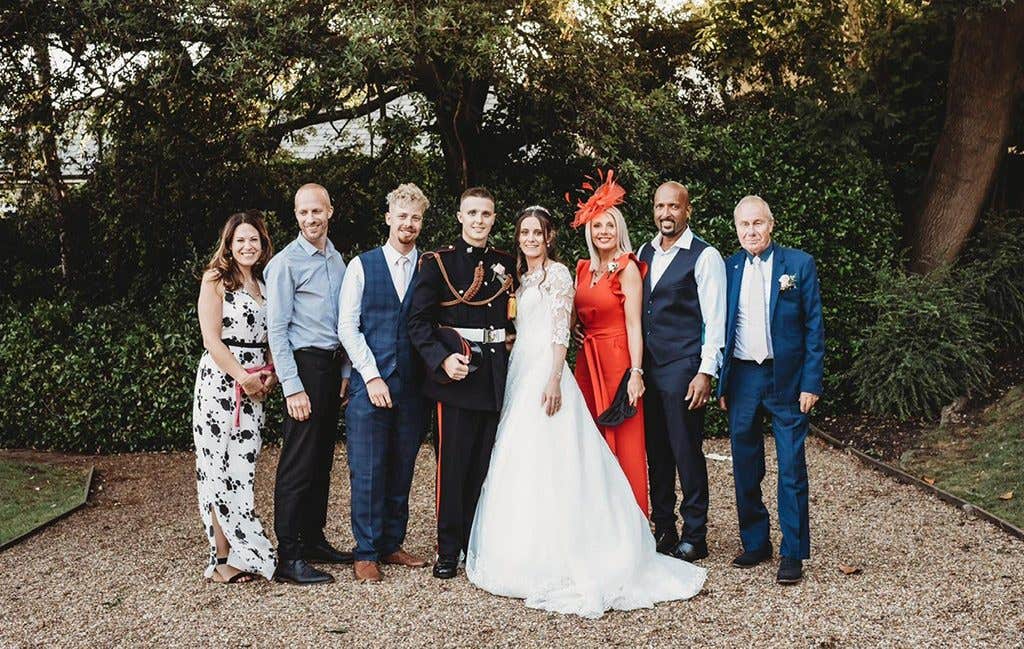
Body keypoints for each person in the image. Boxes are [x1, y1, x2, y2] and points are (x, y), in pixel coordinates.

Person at [466, 205, 706, 619]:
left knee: (566, 452)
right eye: (524, 233)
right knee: (523, 455)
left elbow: (560, 331)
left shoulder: (560, 274)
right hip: (526, 368)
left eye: (537, 232)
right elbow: (560, 321)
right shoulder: (525, 278)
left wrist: (556, 377)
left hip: (549, 371)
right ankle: (523, 543)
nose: (530, 239)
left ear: (549, 237)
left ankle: (612, 536)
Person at [407, 186, 516, 580]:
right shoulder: (438, 263)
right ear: (459, 216)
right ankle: (448, 548)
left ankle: (475, 541)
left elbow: (512, 317)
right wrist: (441, 359)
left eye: (485, 214)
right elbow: (418, 322)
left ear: (494, 218)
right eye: (472, 213)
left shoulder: (506, 262)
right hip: (456, 376)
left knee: (484, 465)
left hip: (493, 377)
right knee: (453, 467)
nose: (478, 220)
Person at [718, 195, 824, 585]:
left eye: (757, 223)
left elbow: (814, 327)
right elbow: (717, 325)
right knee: (745, 464)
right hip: (743, 377)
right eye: (744, 224)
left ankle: (792, 552)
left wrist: (811, 382)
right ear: (736, 228)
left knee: (791, 466)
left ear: (771, 224)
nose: (751, 231)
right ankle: (755, 542)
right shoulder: (727, 268)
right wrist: (722, 380)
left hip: (787, 378)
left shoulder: (798, 264)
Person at [338, 183, 431, 582]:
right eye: (402, 216)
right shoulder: (362, 265)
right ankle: (366, 551)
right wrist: (372, 375)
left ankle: (392, 543)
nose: (408, 223)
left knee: (402, 466)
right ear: (389, 217)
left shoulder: (429, 267)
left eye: (416, 218)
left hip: (413, 386)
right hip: (370, 384)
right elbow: (347, 326)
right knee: (368, 469)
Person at [265, 183, 353, 585]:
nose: (310, 218)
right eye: (303, 212)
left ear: (329, 211)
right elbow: (277, 330)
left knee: (320, 461)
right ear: (296, 216)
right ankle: (289, 555)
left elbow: (343, 322)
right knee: (298, 463)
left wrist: (345, 373)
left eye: (316, 211)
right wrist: (292, 386)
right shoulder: (285, 263)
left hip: (331, 369)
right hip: (304, 368)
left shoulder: (336, 258)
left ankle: (313, 539)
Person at [637, 182, 727, 562]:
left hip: (683, 368)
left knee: (686, 451)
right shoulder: (643, 252)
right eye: (660, 206)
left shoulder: (705, 256)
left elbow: (715, 320)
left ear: (687, 210)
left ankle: (695, 534)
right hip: (649, 369)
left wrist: (706, 372)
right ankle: (664, 528)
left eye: (673, 206)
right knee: (656, 453)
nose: (666, 214)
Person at [192, 209, 278, 583]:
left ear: (262, 244)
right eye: (240, 239)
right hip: (220, 382)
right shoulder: (216, 279)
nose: (247, 246)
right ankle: (222, 557)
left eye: (253, 239)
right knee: (216, 466)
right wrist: (242, 376)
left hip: (256, 385)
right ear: (229, 244)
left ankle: (244, 551)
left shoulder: (265, 282)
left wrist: (271, 372)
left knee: (242, 469)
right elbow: (211, 339)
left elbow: (273, 334)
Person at [572, 171, 649, 514]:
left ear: (620, 230)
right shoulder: (583, 269)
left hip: (618, 361)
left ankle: (630, 519)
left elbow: (634, 324)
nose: (603, 231)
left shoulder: (627, 267)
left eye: (610, 225)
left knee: (624, 439)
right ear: (589, 230)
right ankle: (596, 516)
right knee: (589, 439)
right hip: (587, 362)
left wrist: (636, 372)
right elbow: (575, 313)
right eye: (597, 225)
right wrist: (576, 329)